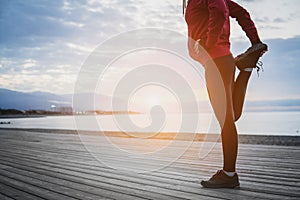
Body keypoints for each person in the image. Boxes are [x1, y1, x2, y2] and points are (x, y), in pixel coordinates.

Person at [184, 0, 268, 188]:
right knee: (231, 116)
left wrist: (209, 42)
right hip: (222, 61)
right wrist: (255, 41)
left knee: (227, 120)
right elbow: (241, 12)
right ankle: (246, 67)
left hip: (216, 62)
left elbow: (221, 11)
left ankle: (229, 174)